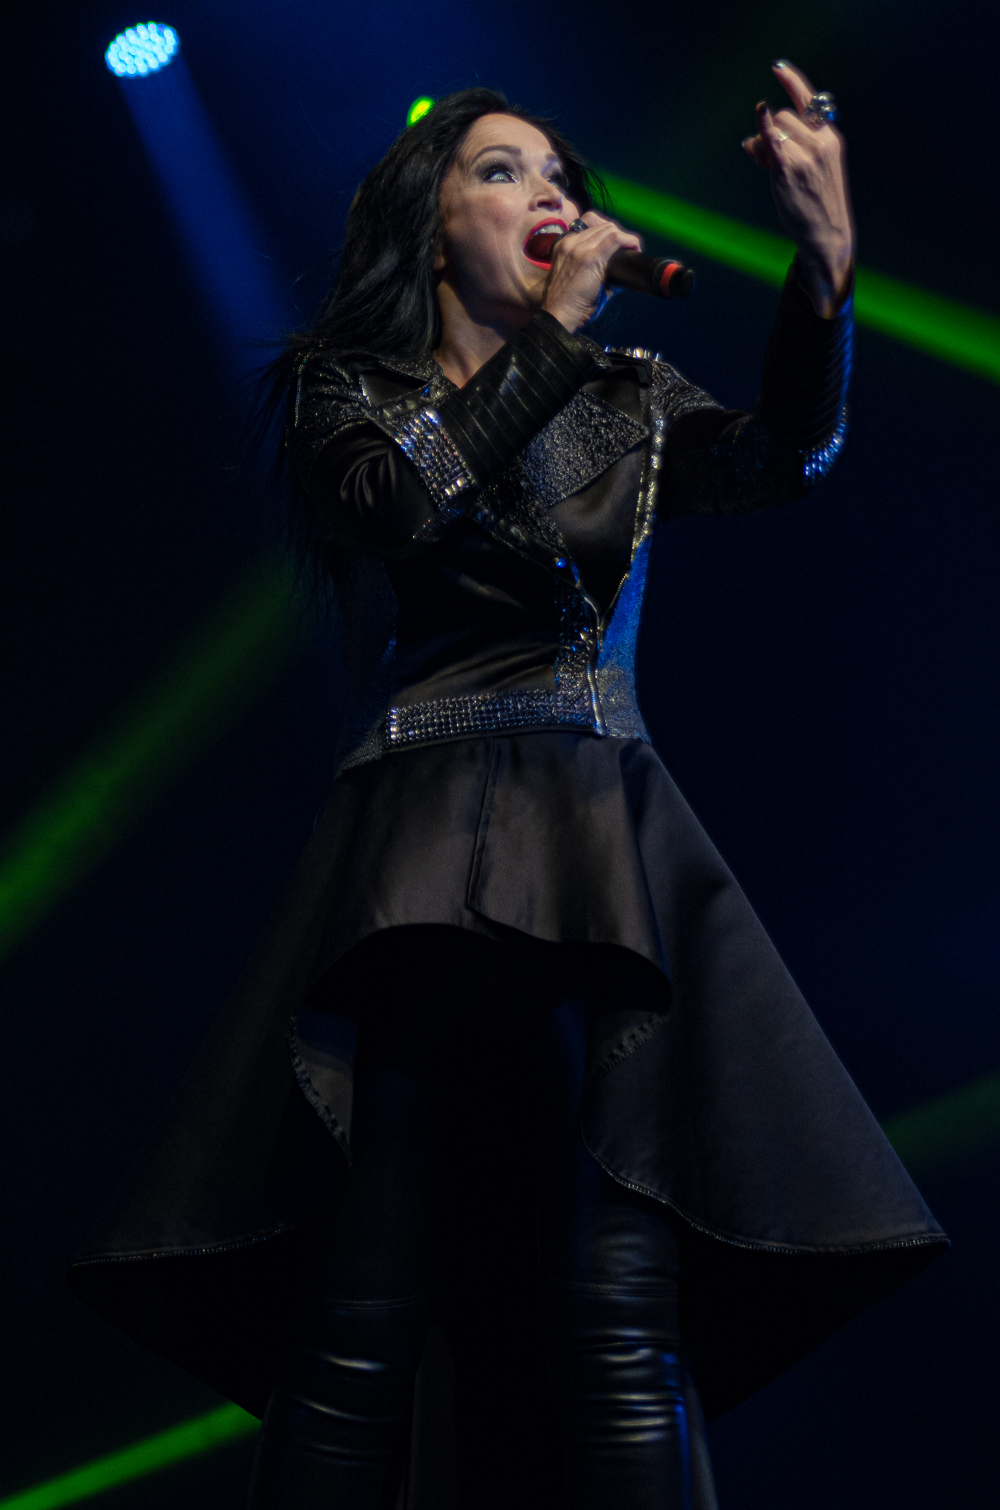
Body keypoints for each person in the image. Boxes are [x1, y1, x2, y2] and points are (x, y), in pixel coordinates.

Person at [68, 67, 947, 1510]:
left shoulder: (627, 396)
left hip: (597, 842)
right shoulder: (351, 388)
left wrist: (825, 269)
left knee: (620, 1315)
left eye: (559, 175)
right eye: (503, 171)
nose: (550, 195)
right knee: (360, 1320)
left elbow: (785, 456)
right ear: (430, 224)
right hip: (413, 856)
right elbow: (403, 505)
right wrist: (549, 337)